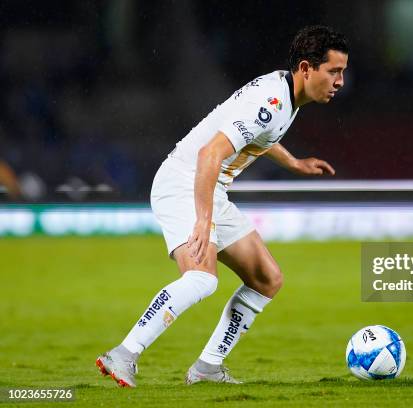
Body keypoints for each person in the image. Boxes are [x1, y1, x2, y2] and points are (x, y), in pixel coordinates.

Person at [96, 25, 348, 387]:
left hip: (208, 187)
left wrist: (294, 163)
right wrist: (202, 221)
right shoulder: (273, 101)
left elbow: (259, 136)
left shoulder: (284, 95)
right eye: (334, 71)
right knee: (201, 279)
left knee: (266, 278)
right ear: (307, 68)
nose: (340, 80)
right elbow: (210, 152)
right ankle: (123, 354)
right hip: (185, 183)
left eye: (342, 71)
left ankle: (207, 367)